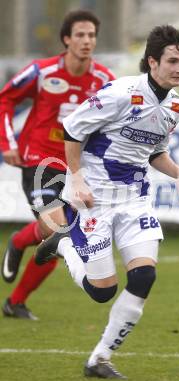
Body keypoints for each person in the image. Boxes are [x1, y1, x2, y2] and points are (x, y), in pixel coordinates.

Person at [35, 24, 179, 378]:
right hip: (96, 202)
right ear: (152, 62)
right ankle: (65, 245)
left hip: (134, 201)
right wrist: (75, 179)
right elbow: (73, 128)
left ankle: (100, 359)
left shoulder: (176, 106)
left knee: (144, 276)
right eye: (173, 60)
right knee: (102, 292)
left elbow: (154, 152)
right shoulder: (121, 92)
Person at [0, 9, 115, 320]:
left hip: (77, 167)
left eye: (91, 35)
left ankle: (16, 299)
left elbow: (116, 118)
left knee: (57, 239)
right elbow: (5, 98)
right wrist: (7, 143)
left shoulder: (105, 80)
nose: (87, 41)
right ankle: (23, 244)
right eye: (80, 35)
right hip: (40, 160)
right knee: (58, 231)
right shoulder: (41, 71)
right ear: (67, 39)